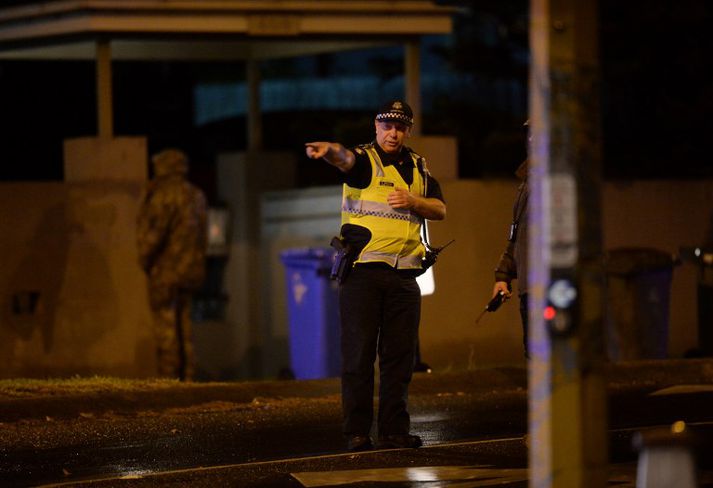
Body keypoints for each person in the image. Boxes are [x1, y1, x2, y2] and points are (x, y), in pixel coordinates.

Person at [305, 100, 447, 451]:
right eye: (387, 125)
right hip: (363, 274)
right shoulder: (366, 160)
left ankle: (394, 431)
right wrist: (328, 150)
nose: (393, 133)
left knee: (399, 360)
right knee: (358, 357)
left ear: (409, 129)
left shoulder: (418, 166)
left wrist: (413, 202)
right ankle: (356, 432)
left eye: (400, 126)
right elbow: (344, 159)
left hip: (404, 277)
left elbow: (440, 209)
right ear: (376, 126)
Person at [137, 148, 208, 381]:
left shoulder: (163, 195)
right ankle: (188, 379)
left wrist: (144, 259)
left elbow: (153, 236)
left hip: (166, 273)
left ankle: (169, 383)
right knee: (185, 329)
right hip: (191, 271)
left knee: (166, 332)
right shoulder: (196, 195)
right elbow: (204, 237)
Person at [492, 122, 530, 358]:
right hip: (530, 288)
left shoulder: (559, 179)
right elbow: (517, 234)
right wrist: (503, 275)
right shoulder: (527, 182)